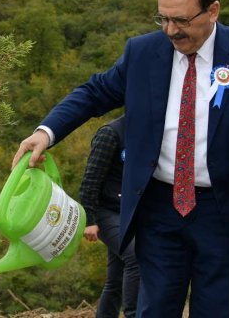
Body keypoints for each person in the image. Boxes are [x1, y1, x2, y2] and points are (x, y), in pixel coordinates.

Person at [12, 0, 229, 318]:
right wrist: (46, 132)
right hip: (159, 210)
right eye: (163, 19)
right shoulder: (142, 52)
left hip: (226, 214)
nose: (170, 31)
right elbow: (95, 92)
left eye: (181, 20)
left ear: (213, 10)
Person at [79, 115, 140, 318]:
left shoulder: (146, 131)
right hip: (105, 211)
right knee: (135, 255)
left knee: (116, 278)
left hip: (129, 213)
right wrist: (89, 219)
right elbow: (90, 179)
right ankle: (133, 314)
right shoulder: (110, 133)